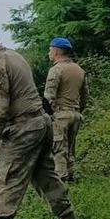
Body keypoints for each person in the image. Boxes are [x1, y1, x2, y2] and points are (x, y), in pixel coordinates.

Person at [0, 25, 78, 219]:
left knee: (5, 177)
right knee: (46, 176)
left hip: (24, 128)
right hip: (42, 123)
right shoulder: (14, 56)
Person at [43, 37, 88, 182]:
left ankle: (61, 182)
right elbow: (85, 95)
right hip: (75, 114)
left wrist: (50, 115)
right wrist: (77, 110)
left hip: (60, 115)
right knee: (70, 150)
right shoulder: (79, 70)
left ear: (56, 51)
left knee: (59, 150)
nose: (49, 52)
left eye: (50, 49)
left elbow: (49, 96)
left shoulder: (56, 69)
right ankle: (72, 177)